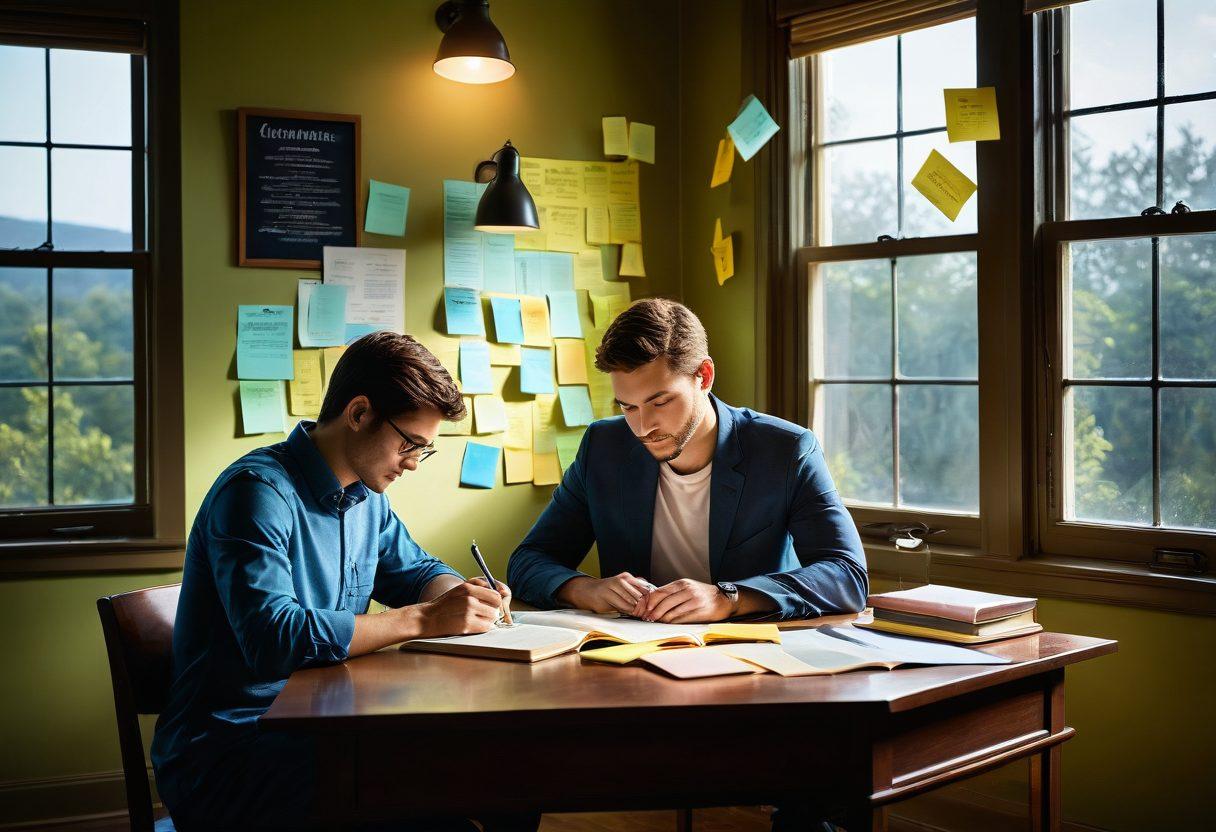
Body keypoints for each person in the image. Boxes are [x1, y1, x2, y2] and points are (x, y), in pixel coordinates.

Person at [151, 332, 531, 832]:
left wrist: (461, 596)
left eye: (425, 449)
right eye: (409, 443)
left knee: (512, 776)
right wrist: (423, 619)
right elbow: (274, 639)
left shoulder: (366, 496)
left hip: (323, 727)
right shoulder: (256, 494)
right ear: (358, 413)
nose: (414, 462)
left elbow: (416, 572)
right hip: (231, 756)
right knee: (448, 798)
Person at [507, 297, 868, 625]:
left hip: (751, 660)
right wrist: (584, 589)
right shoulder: (603, 447)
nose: (643, 427)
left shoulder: (786, 451)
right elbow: (528, 561)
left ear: (704, 377)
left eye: (660, 402)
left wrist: (728, 598)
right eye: (627, 406)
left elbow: (846, 574)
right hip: (632, 658)